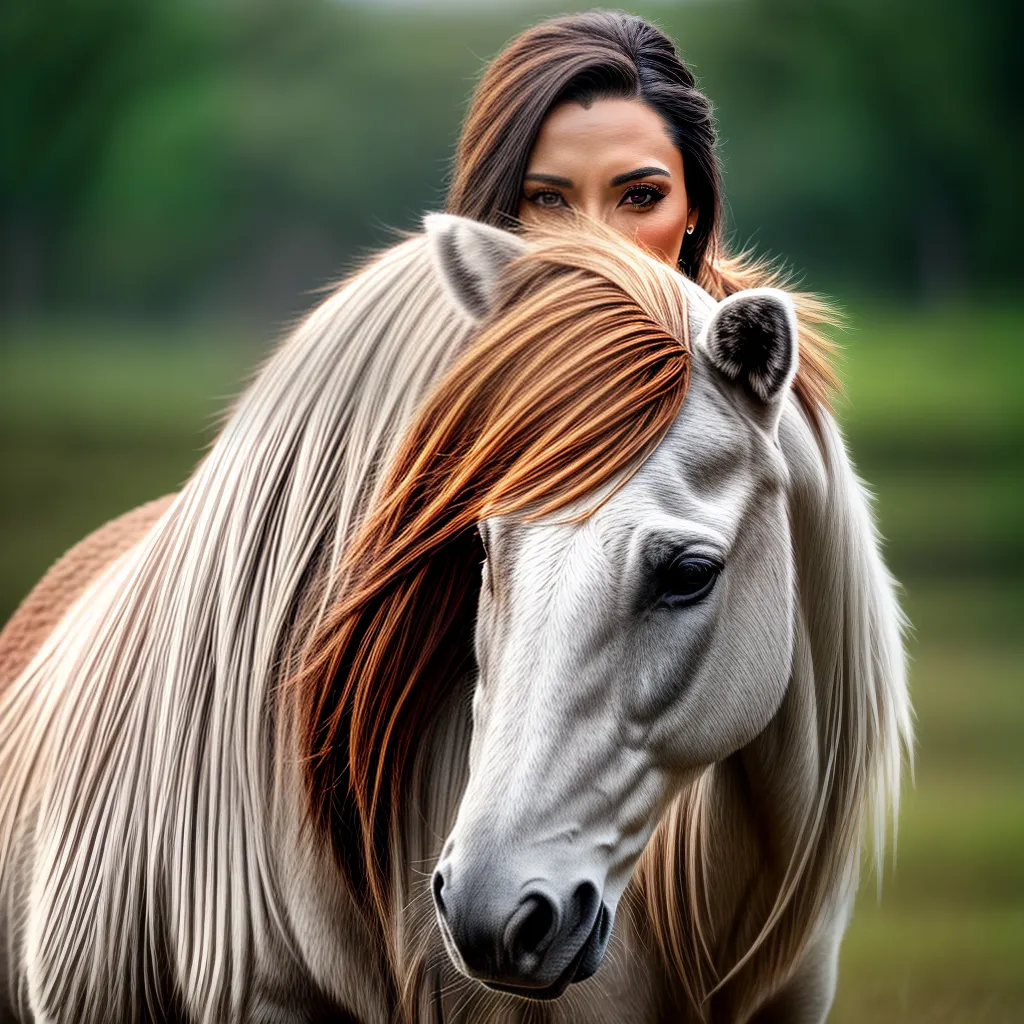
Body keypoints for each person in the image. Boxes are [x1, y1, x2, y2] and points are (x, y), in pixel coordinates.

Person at [446, 9, 836, 402]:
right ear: (496, 214)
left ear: (694, 206)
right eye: (549, 199)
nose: (599, 246)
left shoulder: (760, 383)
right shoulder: (423, 378)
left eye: (640, 196)